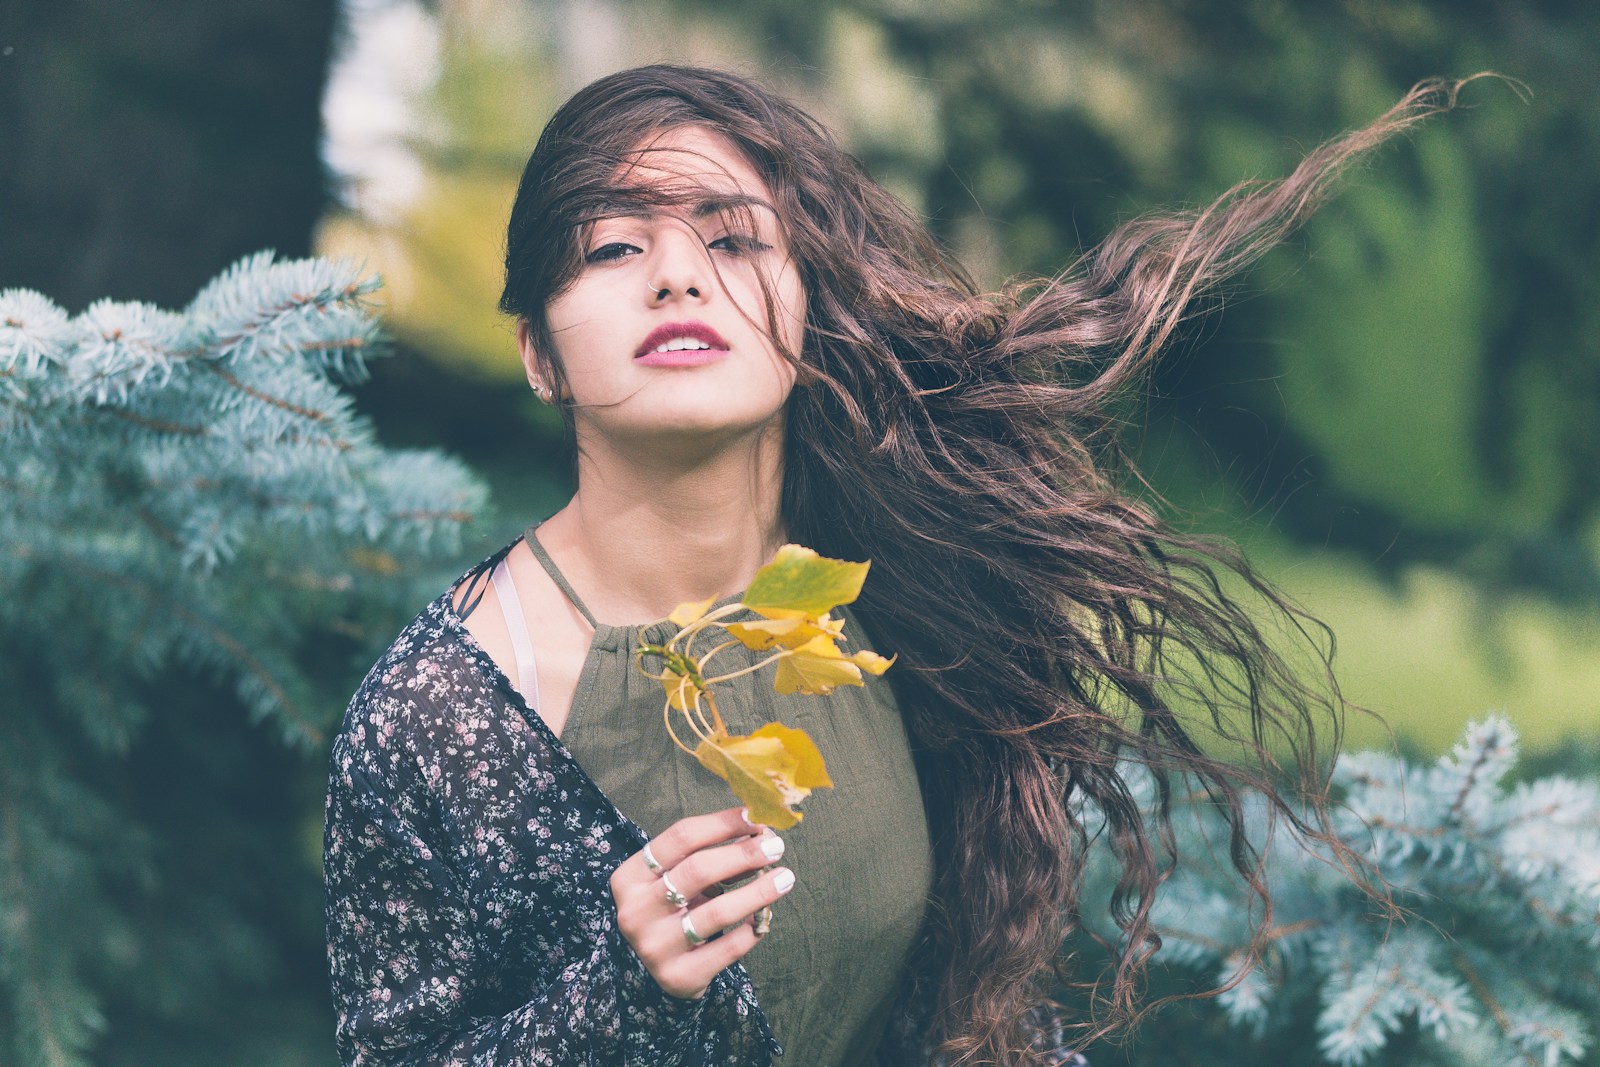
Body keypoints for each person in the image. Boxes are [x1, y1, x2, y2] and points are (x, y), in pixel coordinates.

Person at [324, 65, 1468, 1066]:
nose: (677, 274)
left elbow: (945, 1017)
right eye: (613, 247)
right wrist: (619, 992)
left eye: (731, 238)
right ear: (539, 352)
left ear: (806, 306)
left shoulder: (892, 602)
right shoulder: (446, 710)